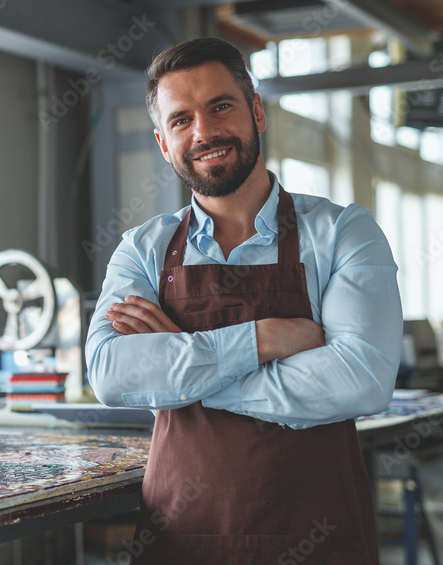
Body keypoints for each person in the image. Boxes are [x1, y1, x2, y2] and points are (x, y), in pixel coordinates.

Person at [85, 37, 402, 564]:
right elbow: (111, 374)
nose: (204, 132)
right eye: (181, 119)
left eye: (221, 106)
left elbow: (362, 382)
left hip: (319, 539)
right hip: (181, 539)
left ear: (255, 110)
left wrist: (183, 369)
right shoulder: (143, 249)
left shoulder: (344, 232)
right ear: (164, 144)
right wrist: (262, 339)